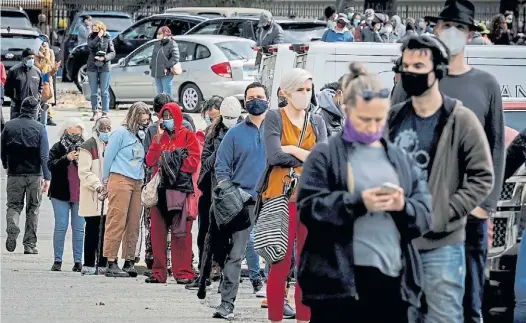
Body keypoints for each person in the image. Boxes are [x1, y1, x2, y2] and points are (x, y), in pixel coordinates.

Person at [392, 3, 506, 321]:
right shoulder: (410, 81)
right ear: (436, 30)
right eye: (446, 26)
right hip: (415, 216)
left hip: (468, 213)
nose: (452, 33)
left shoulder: (486, 85)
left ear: (470, 35)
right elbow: (390, 137)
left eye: (460, 27)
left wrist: (485, 205)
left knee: (468, 301)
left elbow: (495, 148)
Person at [296, 62, 432, 323]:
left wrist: (403, 205)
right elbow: (309, 209)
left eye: (379, 120)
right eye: (364, 119)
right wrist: (358, 201)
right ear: (346, 110)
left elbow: (425, 215)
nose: (372, 127)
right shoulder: (325, 155)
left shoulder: (399, 158)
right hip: (337, 286)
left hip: (393, 283)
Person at [258, 68, 328, 322]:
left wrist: (293, 150)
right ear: (286, 92)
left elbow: (323, 159)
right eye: (300, 90)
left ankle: (305, 317)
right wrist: (305, 155)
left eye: (309, 90)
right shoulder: (274, 117)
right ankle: (275, 316)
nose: (306, 95)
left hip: (311, 199)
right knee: (280, 262)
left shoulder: (317, 120)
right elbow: (274, 156)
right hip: (280, 199)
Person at [213, 82, 269, 320]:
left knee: (279, 254)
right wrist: (229, 194)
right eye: (251, 97)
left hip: (273, 199)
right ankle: (227, 303)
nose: (255, 100)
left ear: (268, 100)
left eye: (260, 96)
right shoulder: (234, 133)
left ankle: (279, 299)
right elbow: (221, 168)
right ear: (245, 102)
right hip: (242, 202)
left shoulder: (278, 130)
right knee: (236, 254)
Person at [187, 96, 243, 290]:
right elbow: (205, 165)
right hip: (212, 191)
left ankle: (228, 274)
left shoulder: (246, 130)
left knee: (233, 237)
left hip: (237, 191)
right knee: (205, 235)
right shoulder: (213, 132)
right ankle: (204, 273)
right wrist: (220, 151)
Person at [144, 102, 200, 284]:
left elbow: (193, 161)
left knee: (181, 234)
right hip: (160, 191)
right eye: (163, 116)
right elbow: (150, 160)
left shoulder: (188, 136)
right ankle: (159, 272)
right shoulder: (158, 138)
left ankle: (183, 272)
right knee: (157, 233)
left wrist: (169, 164)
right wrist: (159, 141)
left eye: (169, 116)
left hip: (180, 190)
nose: (166, 120)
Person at [102, 102, 150, 277]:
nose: (144, 124)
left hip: (137, 180)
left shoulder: (142, 135)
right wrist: (105, 181)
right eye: (141, 120)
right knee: (117, 219)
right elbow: (108, 157)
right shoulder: (120, 134)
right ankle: (111, 260)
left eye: (146, 120)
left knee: (133, 222)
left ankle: (129, 260)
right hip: (120, 177)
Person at [1, 97, 50, 254]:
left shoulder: (8, 126)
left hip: (15, 173)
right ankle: (29, 245)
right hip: (34, 174)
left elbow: (2, 150)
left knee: (13, 205)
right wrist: (47, 177)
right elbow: (44, 156)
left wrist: (6, 165)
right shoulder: (40, 128)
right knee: (33, 209)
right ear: (36, 111)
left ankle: (12, 224)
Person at [48, 119, 86, 272]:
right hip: (60, 193)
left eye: (77, 134)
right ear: (65, 132)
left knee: (79, 229)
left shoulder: (85, 148)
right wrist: (66, 158)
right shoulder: (57, 147)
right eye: (71, 134)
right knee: (61, 226)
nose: (74, 137)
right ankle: (58, 260)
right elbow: (50, 165)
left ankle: (78, 261)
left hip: (79, 194)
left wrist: (79, 161)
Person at [78, 117, 112, 275]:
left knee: (107, 230)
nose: (106, 131)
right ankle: (89, 263)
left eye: (108, 128)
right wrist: (98, 186)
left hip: (109, 194)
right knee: (92, 230)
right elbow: (84, 173)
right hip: (93, 195)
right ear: (97, 128)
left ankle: (104, 263)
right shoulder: (87, 146)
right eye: (103, 128)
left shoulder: (111, 144)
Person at [87, 21, 115, 121]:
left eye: (97, 30)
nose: (94, 31)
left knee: (104, 91)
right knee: (94, 92)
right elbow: (90, 46)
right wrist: (97, 37)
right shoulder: (91, 37)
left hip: (104, 66)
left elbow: (112, 52)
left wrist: (105, 58)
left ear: (102, 29)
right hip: (92, 66)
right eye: (93, 29)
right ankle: (95, 112)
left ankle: (105, 112)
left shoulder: (108, 37)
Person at [4, 48, 42, 119]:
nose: (31, 60)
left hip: (33, 108)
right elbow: (7, 89)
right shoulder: (14, 71)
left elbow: (40, 87)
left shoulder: (37, 71)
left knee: (32, 128)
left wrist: (37, 97)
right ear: (23, 58)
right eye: (29, 58)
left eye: (32, 58)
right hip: (18, 107)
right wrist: (15, 98)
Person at [35, 37, 59, 126]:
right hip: (37, 77)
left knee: (47, 98)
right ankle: (37, 116)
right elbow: (38, 67)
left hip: (47, 78)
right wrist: (44, 57)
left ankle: (48, 118)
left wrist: (55, 68)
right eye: (42, 45)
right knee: (38, 98)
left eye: (45, 45)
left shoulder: (51, 52)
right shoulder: (35, 53)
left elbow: (51, 67)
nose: (44, 47)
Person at [150, 26, 180, 97]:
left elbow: (175, 57)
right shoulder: (157, 44)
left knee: (167, 93)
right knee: (159, 94)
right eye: (158, 33)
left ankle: (168, 107)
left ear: (165, 34)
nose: (158, 35)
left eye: (160, 33)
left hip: (166, 73)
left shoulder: (172, 43)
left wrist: (166, 66)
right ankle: (161, 107)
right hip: (157, 72)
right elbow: (154, 56)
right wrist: (151, 65)